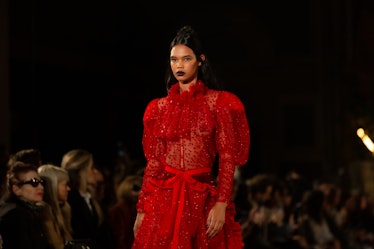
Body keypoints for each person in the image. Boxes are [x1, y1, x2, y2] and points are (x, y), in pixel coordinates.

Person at [132, 25, 250, 249]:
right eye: (174, 59)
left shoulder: (219, 103)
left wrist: (222, 203)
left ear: (200, 60)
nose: (179, 65)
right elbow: (155, 163)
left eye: (186, 59)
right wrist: (142, 209)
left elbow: (227, 157)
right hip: (164, 200)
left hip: (202, 197)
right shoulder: (159, 108)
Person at [61, 149, 115, 249]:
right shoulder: (71, 200)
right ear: (82, 171)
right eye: (92, 168)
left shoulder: (90, 198)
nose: (95, 172)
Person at [0, 161, 51, 249]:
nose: (41, 187)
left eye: (41, 182)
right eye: (34, 182)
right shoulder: (16, 216)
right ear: (16, 189)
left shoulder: (30, 212)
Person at [38, 164, 73, 249]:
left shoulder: (64, 209)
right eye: (65, 184)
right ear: (53, 185)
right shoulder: (43, 212)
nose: (69, 189)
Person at [109, 174, 142, 249]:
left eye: (142, 188)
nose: (140, 192)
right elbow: (120, 238)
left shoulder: (136, 208)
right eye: (136, 188)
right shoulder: (119, 210)